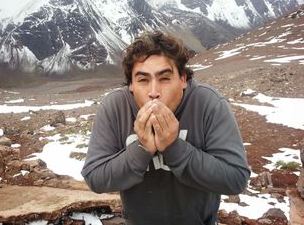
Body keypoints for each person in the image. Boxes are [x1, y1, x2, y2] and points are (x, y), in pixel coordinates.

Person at [81, 31, 250, 225]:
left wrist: (173, 147)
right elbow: (95, 177)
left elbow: (236, 179)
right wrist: (141, 149)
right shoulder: (114, 108)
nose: (154, 92)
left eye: (165, 78)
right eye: (143, 80)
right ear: (131, 85)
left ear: (183, 79)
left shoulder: (208, 104)